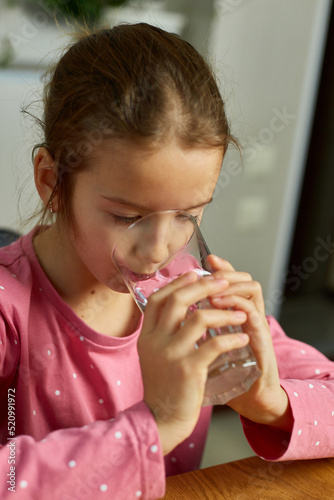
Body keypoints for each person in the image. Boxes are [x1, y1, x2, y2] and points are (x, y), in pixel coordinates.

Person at [0, 23, 333, 500]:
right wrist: (155, 424)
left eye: (187, 215)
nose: (159, 252)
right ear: (52, 182)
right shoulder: (10, 310)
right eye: (126, 216)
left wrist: (272, 401)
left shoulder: (189, 291)